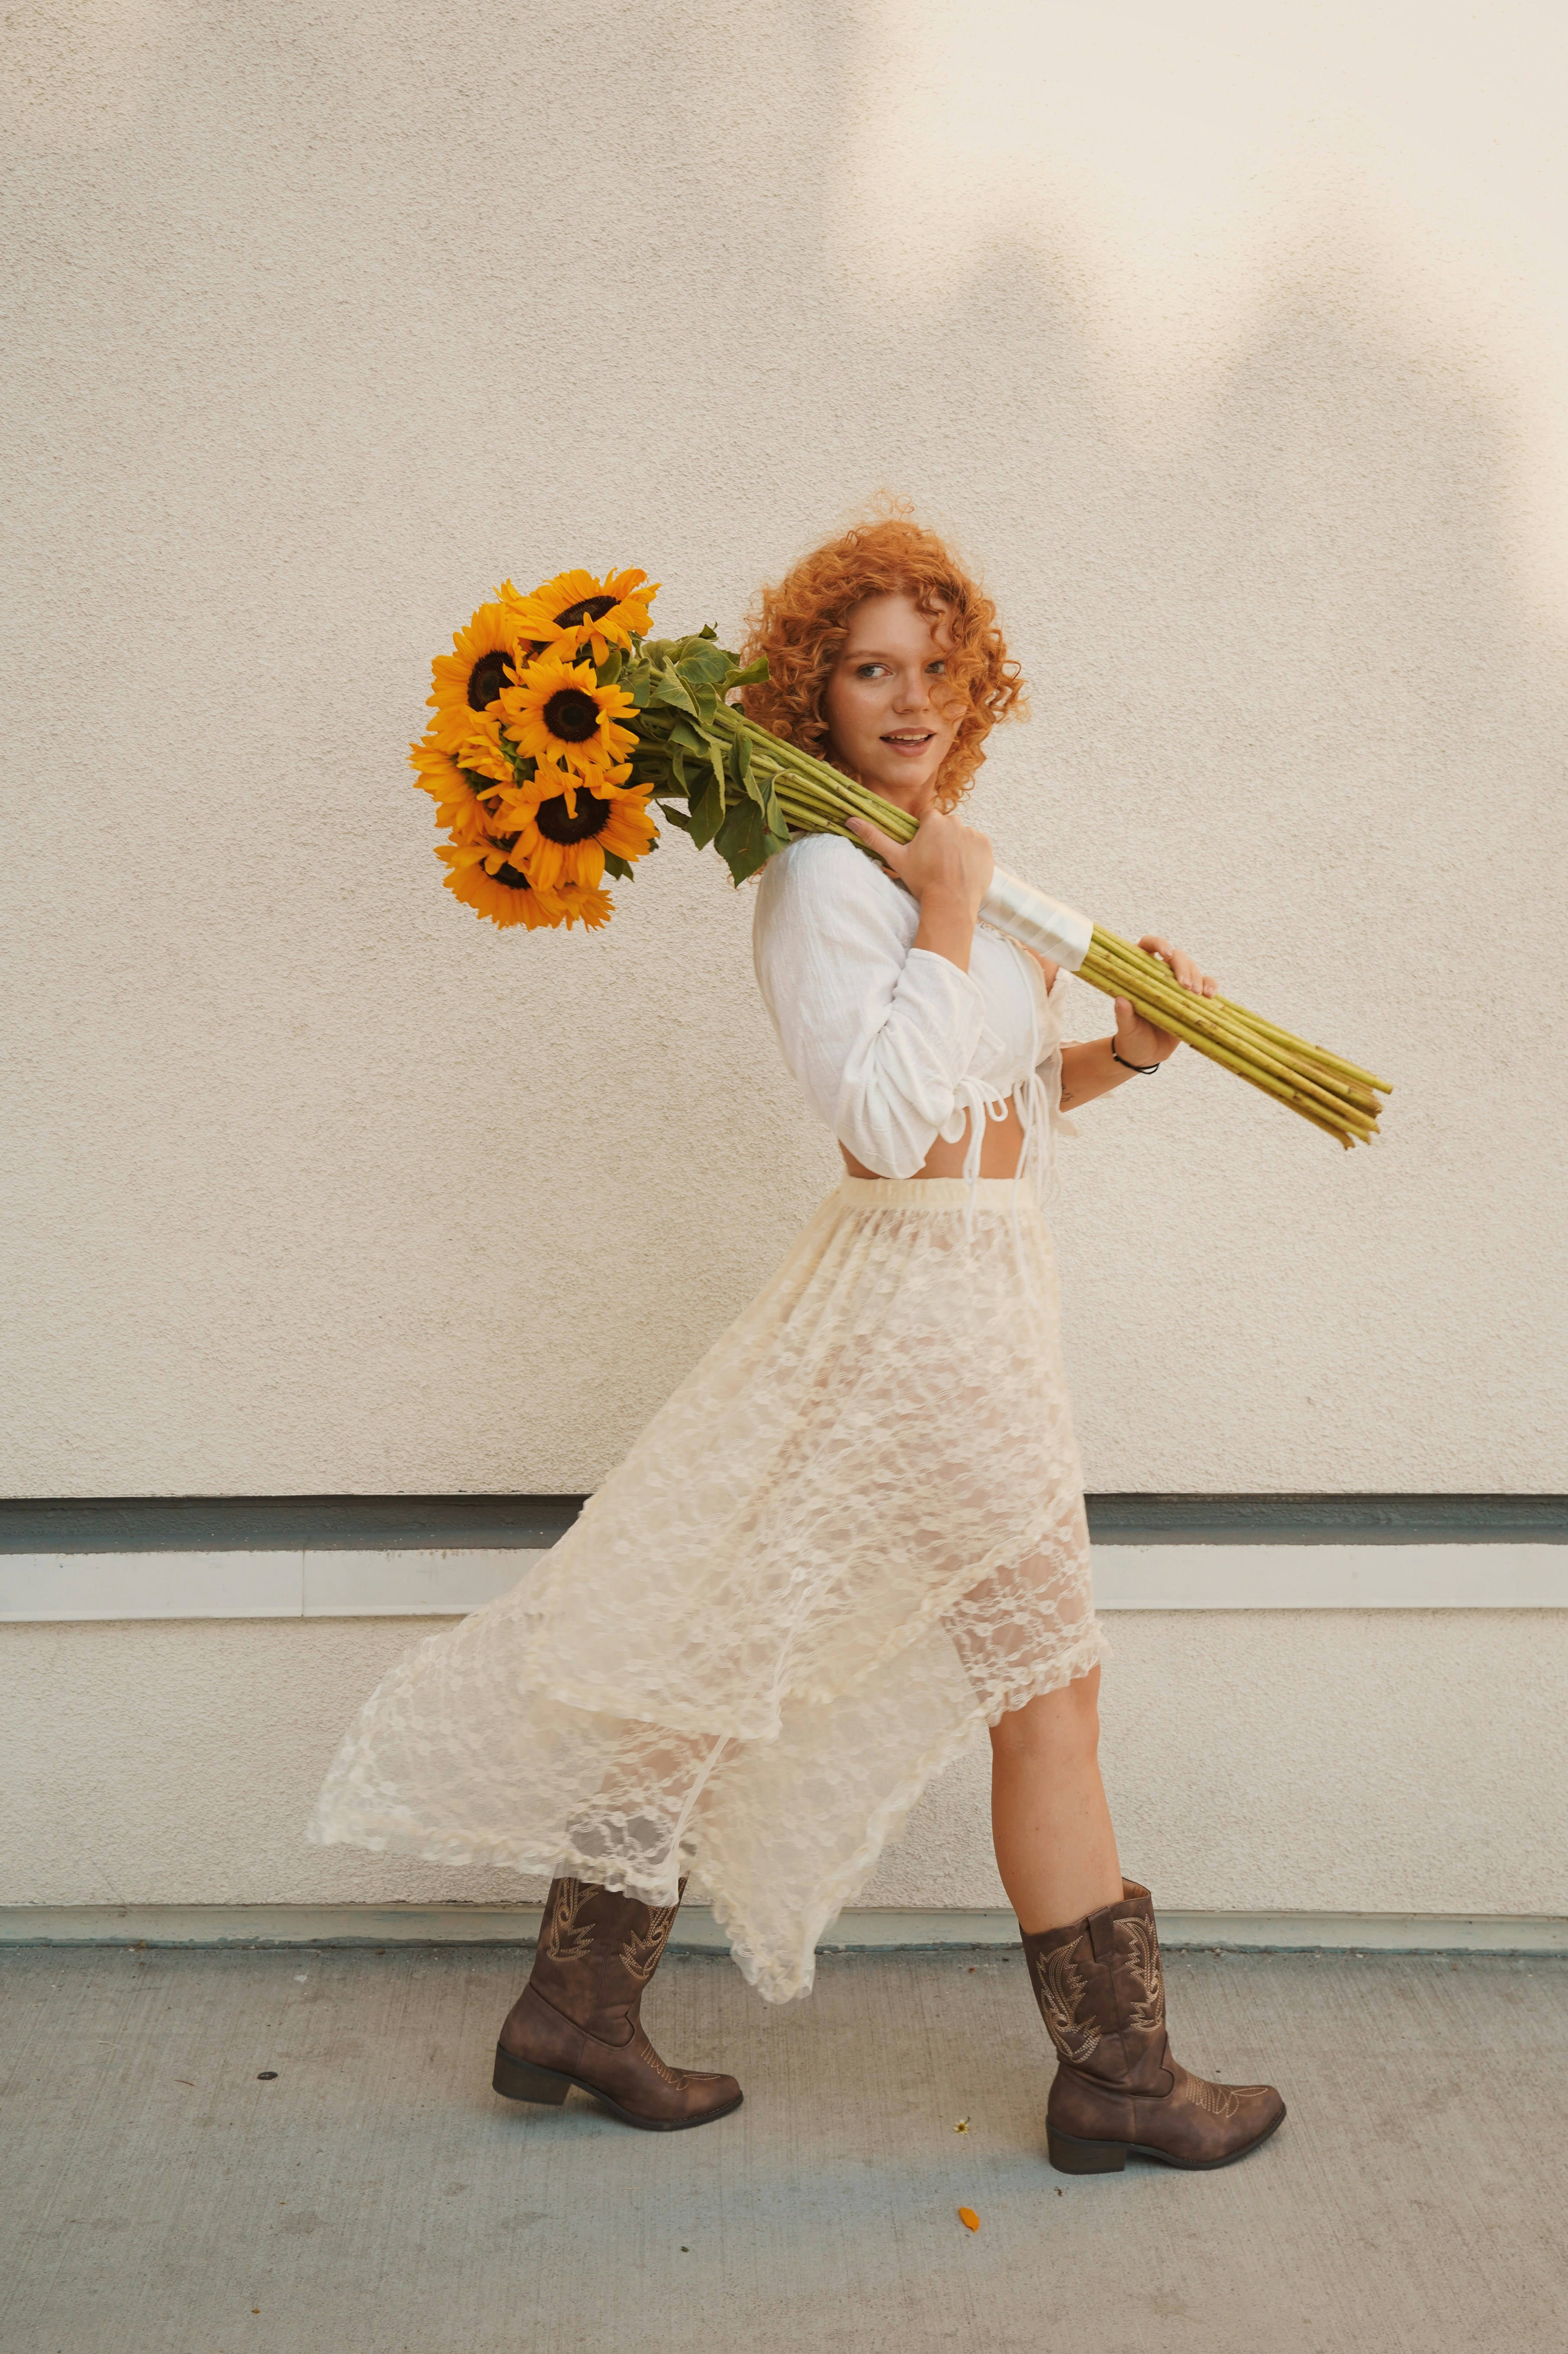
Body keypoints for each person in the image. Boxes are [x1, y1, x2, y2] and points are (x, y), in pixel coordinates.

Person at [310, 516, 1284, 2175]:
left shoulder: (923, 858)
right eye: (868, 670)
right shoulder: (831, 879)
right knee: (1048, 1689)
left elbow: (999, 1111)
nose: (909, 699)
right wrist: (955, 915)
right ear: (810, 694)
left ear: (974, 684)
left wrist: (1119, 1051)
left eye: (935, 667)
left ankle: (578, 2005)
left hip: (957, 1291)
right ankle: (1120, 2082)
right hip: (923, 1306)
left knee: (727, 1648)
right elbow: (893, 1134)